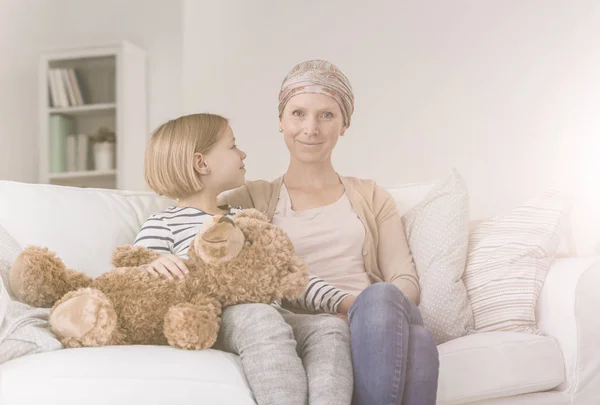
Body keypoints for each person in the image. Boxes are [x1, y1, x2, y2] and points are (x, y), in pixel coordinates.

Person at [220, 60, 440, 405]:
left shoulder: (371, 195)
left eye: (326, 115)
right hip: (310, 331)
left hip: (375, 324)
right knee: (422, 344)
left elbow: (404, 281)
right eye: (298, 114)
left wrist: (363, 313)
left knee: (382, 296)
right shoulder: (249, 199)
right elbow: (193, 218)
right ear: (280, 121)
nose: (311, 128)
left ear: (344, 125)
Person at [133, 112, 354, 405]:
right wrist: (150, 265)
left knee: (330, 327)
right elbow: (133, 274)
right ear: (202, 163)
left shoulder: (247, 219)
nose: (243, 153)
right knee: (259, 317)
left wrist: (343, 301)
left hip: (273, 313)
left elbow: (285, 274)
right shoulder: (163, 223)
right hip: (217, 316)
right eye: (232, 146)